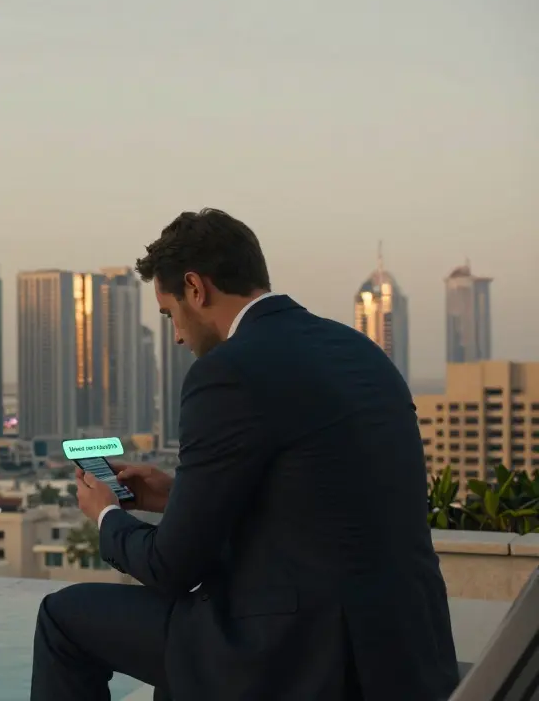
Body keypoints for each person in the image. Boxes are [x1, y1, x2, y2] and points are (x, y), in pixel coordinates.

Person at [30, 209, 460, 701]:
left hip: (298, 656)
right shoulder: (360, 350)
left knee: (62, 619)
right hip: (405, 651)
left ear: (196, 288)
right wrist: (178, 497)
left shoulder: (227, 372)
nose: (175, 336)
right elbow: (325, 501)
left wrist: (106, 513)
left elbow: (171, 568)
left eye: (170, 314)